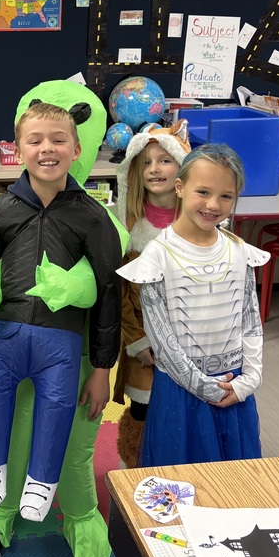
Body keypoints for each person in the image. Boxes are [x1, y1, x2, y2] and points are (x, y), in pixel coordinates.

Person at [0, 80, 127, 557]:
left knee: (72, 442)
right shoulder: (0, 210)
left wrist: (102, 369)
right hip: (6, 344)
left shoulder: (93, 217)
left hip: (71, 353)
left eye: (59, 139)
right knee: (9, 433)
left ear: (77, 148)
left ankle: (78, 515)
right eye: (35, 140)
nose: (47, 149)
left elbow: (108, 294)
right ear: (18, 149)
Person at [117, 143, 269, 467]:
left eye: (226, 196)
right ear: (180, 188)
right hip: (181, 392)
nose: (213, 204)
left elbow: (250, 319)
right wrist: (205, 388)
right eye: (203, 192)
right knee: (180, 478)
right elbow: (161, 337)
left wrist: (249, 380)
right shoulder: (158, 254)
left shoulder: (239, 250)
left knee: (233, 476)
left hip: (234, 388)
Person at [112, 122, 190, 469]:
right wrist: (137, 342)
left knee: (183, 411)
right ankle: (135, 472)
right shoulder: (129, 225)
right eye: (146, 162)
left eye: (164, 160)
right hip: (144, 344)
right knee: (143, 411)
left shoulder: (199, 222)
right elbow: (121, 292)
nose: (154, 169)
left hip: (190, 342)